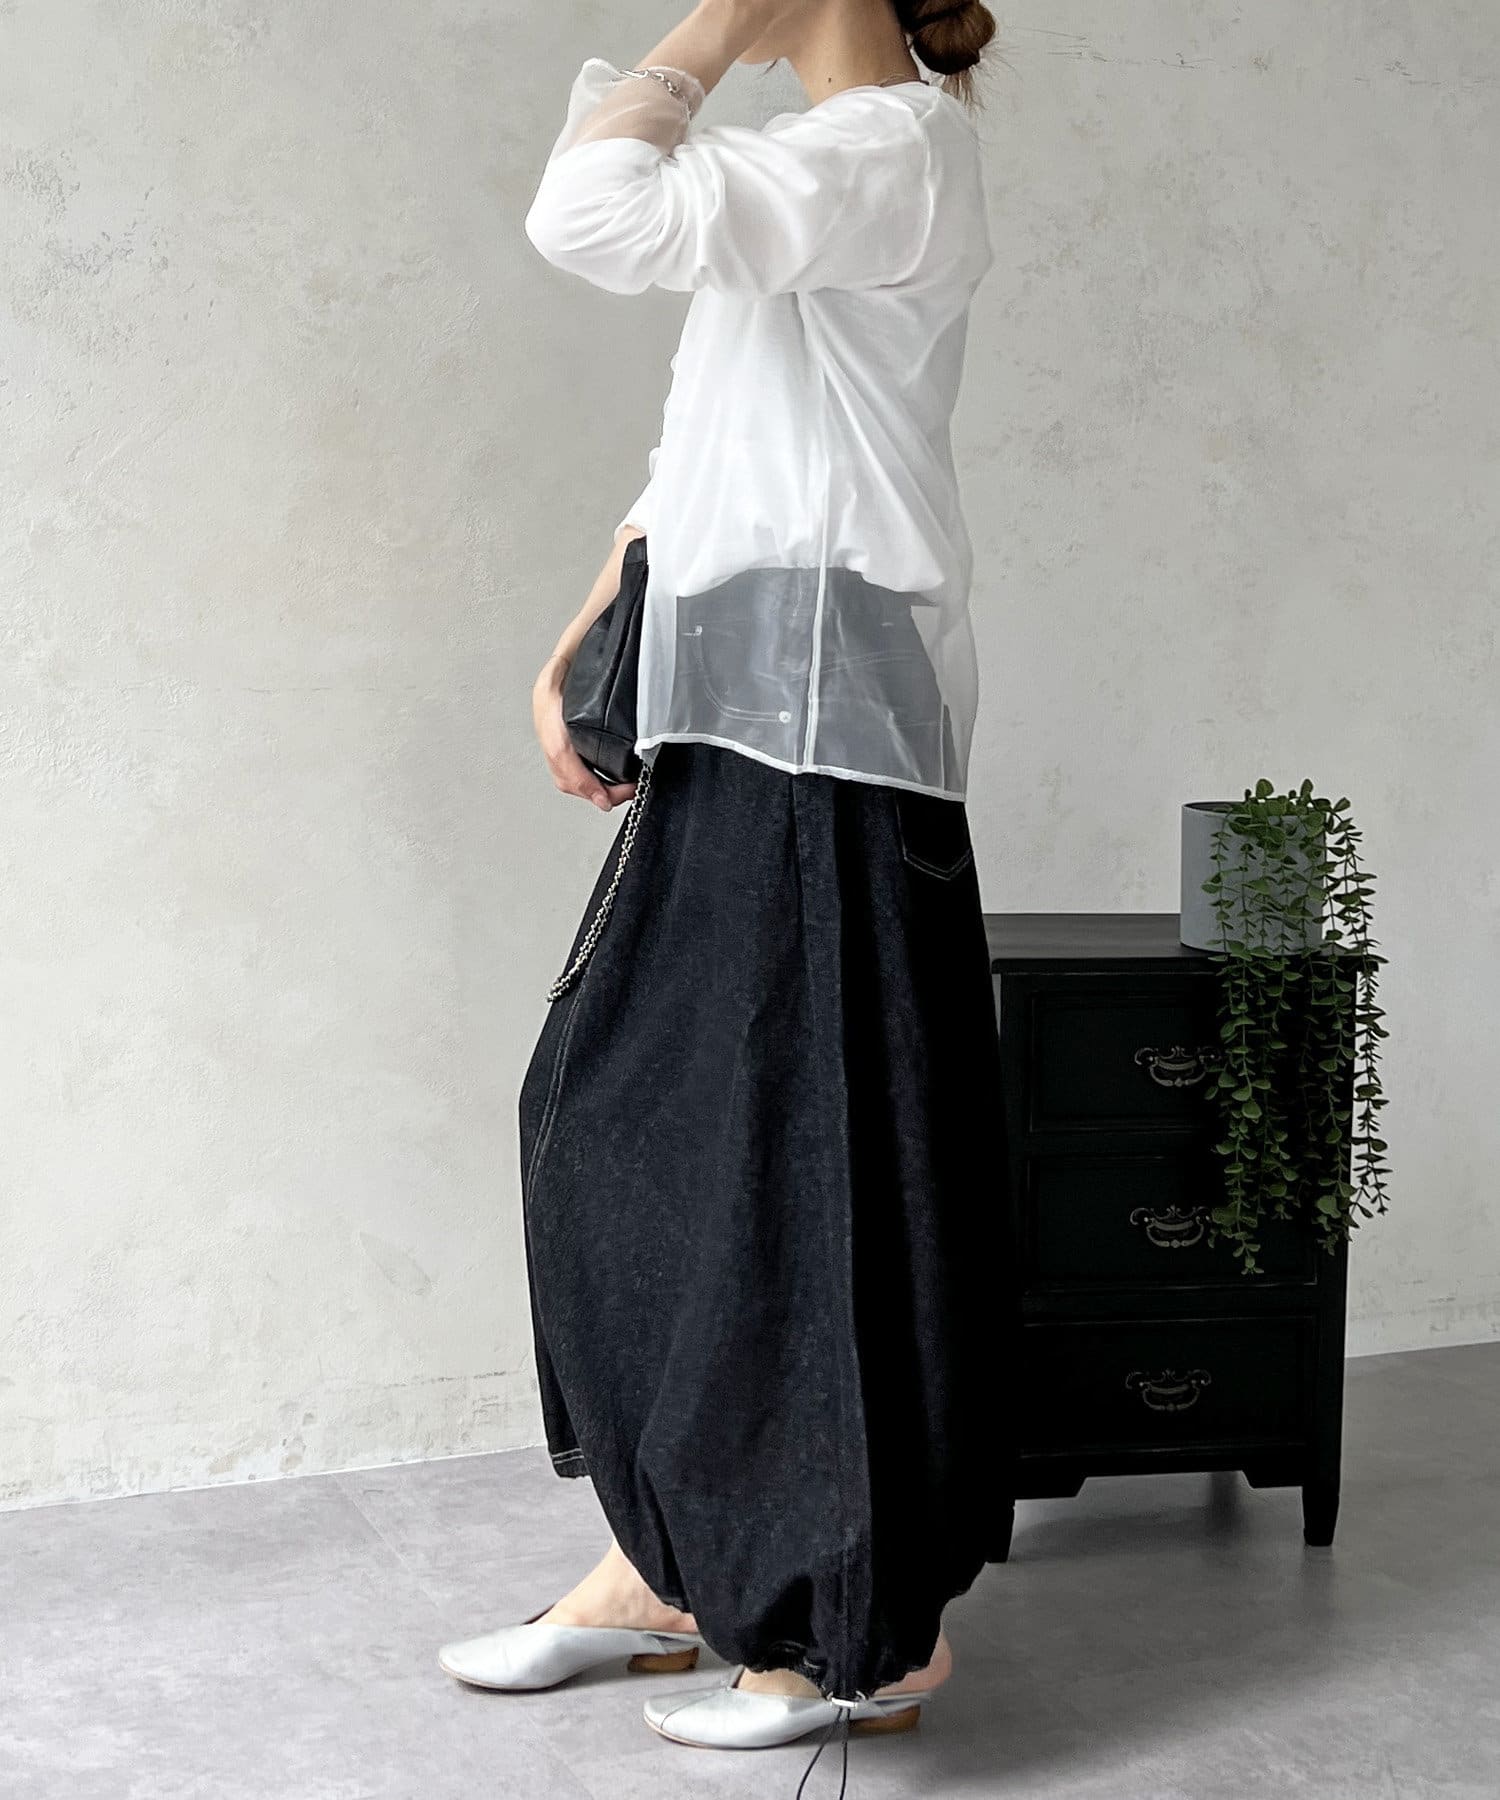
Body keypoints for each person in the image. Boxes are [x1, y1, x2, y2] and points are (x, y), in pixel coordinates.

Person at [440, 0, 1008, 1769]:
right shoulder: (817, 169)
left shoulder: (893, 151)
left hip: (828, 700)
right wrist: (579, 638)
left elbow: (586, 211)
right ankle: (666, 1566)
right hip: (741, 681)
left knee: (805, 1162)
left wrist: (722, 17)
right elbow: (705, 442)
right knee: (640, 1124)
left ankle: (854, 1630)